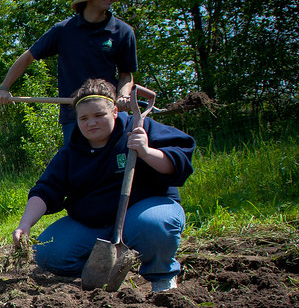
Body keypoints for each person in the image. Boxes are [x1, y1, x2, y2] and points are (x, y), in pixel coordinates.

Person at [12, 79, 194, 292]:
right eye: (84, 118)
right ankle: (106, 270)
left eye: (99, 115)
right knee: (47, 251)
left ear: (115, 112)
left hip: (141, 212)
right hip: (94, 224)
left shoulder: (138, 127)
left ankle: (162, 275)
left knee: (155, 225)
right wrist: (24, 225)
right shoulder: (72, 151)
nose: (91, 123)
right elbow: (46, 189)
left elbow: (178, 161)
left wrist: (146, 151)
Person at [0, 0, 138, 142]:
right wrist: (4, 88)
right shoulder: (63, 31)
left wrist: (123, 96)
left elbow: (126, 75)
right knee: (78, 167)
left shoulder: (123, 32)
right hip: (75, 117)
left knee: (113, 167)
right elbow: (28, 57)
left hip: (108, 116)